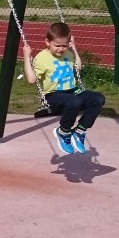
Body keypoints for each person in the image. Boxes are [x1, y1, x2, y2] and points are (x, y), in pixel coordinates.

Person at [22, 21, 105, 155]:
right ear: (47, 42)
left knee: (98, 98)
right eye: (57, 45)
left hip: (72, 91)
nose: (61, 49)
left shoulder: (68, 53)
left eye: (64, 45)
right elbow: (31, 80)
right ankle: (63, 132)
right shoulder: (42, 58)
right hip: (53, 95)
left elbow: (78, 67)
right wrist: (26, 56)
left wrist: (73, 48)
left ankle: (79, 131)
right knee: (75, 101)